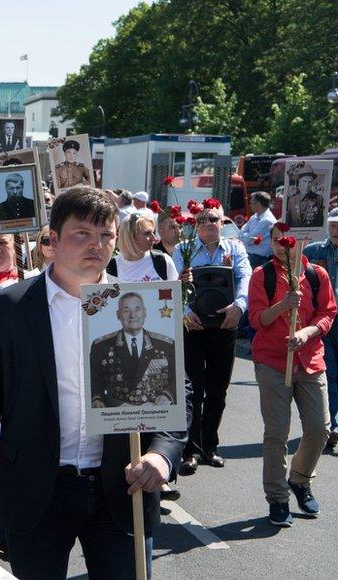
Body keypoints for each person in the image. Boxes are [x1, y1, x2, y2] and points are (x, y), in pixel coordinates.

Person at [0, 186, 187, 579]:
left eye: (106, 235)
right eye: (83, 234)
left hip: (122, 485)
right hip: (36, 490)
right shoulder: (8, 308)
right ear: (53, 241)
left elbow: (179, 390)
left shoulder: (139, 303)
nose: (96, 245)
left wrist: (161, 454)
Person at [250, 226, 335, 526]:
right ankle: (277, 497)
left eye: (286, 241)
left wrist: (306, 332)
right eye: (275, 240)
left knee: (319, 427)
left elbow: (327, 313)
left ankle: (299, 479)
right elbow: (257, 319)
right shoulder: (262, 275)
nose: (281, 246)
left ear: (300, 242)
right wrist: (283, 304)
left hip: (310, 359)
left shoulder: (317, 275)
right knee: (277, 432)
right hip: (273, 361)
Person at [173, 199, 251, 475]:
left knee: (218, 389)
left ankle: (210, 447)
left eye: (214, 219)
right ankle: (190, 450)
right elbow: (173, 286)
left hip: (225, 327)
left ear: (223, 222)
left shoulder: (235, 248)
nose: (209, 224)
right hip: (193, 328)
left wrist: (239, 306)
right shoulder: (183, 250)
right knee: (193, 389)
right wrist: (183, 312)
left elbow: (245, 278)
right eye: (203, 219)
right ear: (196, 224)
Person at [90, 292, 178, 407]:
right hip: (116, 417)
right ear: (118, 315)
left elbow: (179, 380)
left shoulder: (167, 345)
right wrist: (99, 400)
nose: (132, 315)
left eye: (137, 309)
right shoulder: (101, 346)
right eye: (126, 311)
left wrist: (167, 396)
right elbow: (93, 383)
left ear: (145, 312)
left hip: (157, 415)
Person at [304, 208, 338, 449]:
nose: (336, 230)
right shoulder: (314, 251)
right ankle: (330, 426)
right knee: (330, 373)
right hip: (324, 321)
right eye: (333, 225)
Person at [108, 215, 178, 282]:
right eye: (147, 233)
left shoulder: (162, 260)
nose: (154, 238)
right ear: (131, 237)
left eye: (153, 233)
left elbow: (176, 291)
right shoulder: (111, 267)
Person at [241, 191, 276, 268]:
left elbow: (249, 240)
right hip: (251, 257)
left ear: (258, 204)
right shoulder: (254, 217)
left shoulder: (267, 221)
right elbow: (241, 234)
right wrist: (246, 235)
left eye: (251, 203)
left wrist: (245, 235)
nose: (250, 205)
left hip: (259, 260)